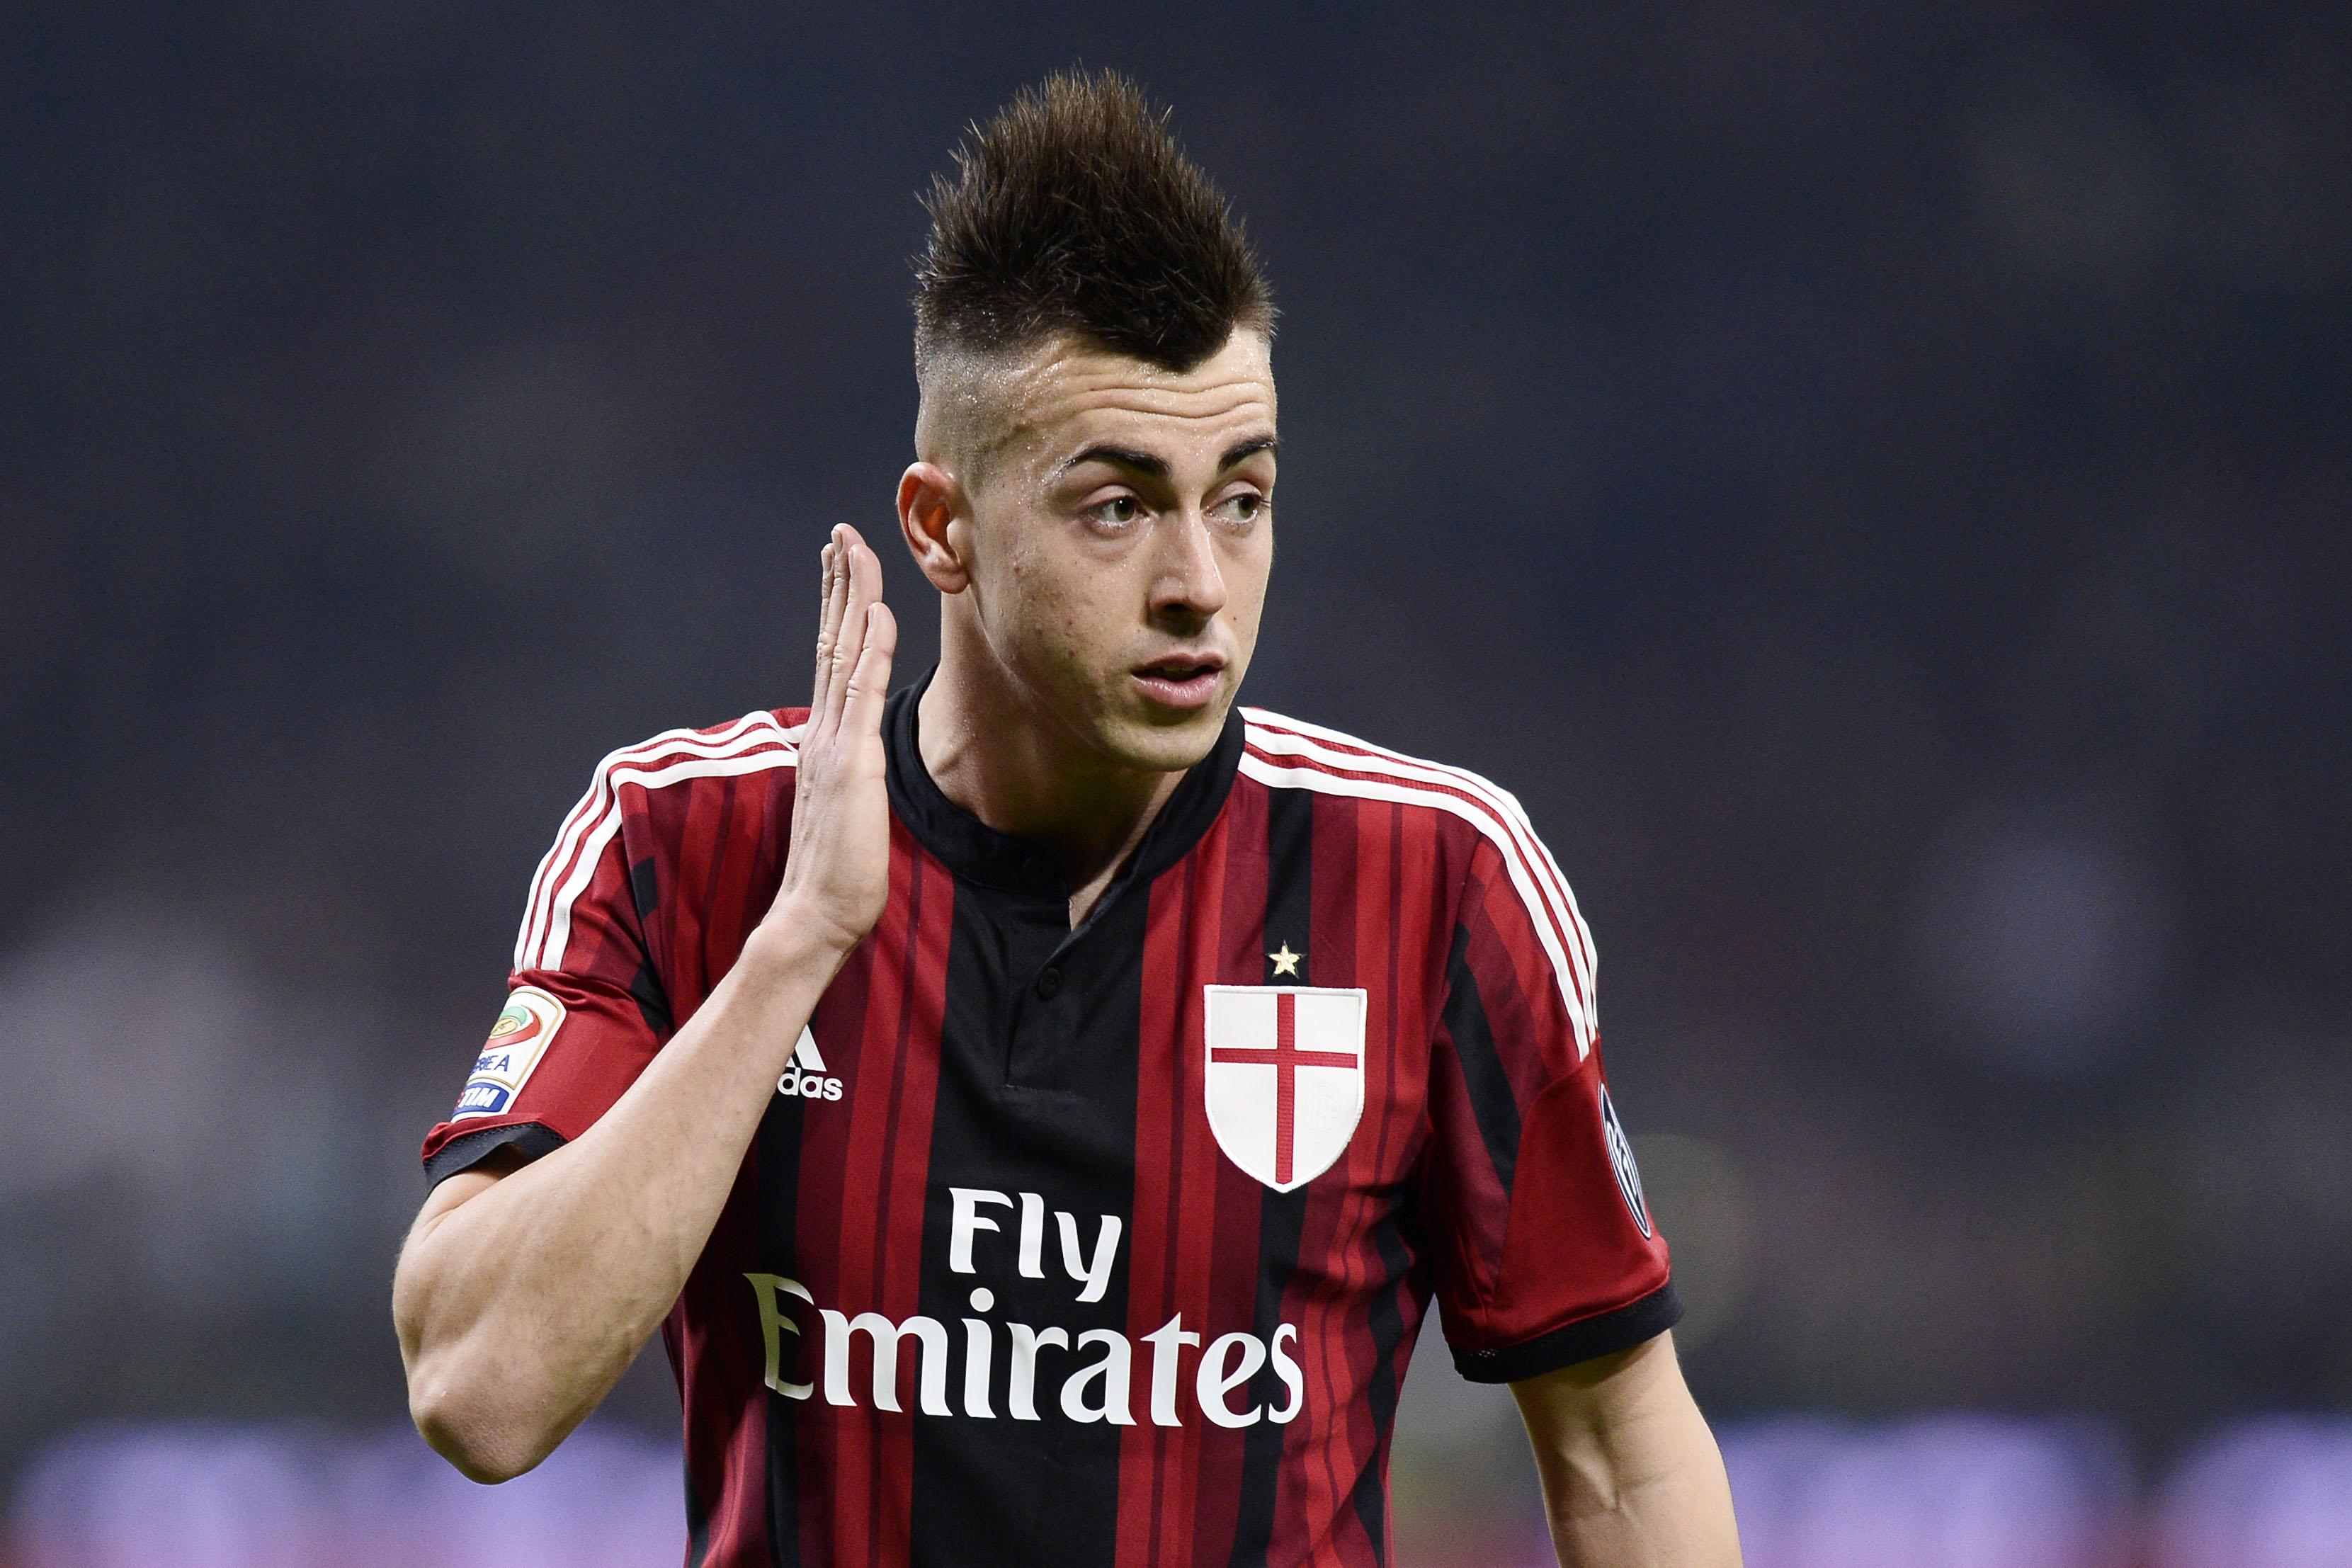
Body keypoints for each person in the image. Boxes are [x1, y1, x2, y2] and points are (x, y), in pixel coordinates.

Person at [392, 69, 1742, 1568]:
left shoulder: (1436, 883)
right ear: (941, 529)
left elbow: (1621, 1450)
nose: (1198, 586)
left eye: (1239, 498)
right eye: (1117, 507)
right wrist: (798, 944)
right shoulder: (683, 840)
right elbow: (479, 1393)